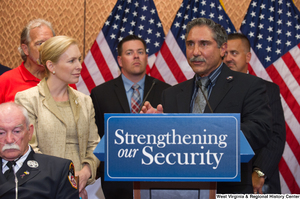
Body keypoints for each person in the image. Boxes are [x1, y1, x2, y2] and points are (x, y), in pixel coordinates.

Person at [141, 18, 272, 194]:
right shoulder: (171, 94)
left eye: (204, 44)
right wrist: (156, 126)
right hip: (178, 190)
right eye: (190, 44)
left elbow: (260, 130)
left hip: (228, 189)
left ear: (223, 48)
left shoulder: (249, 85)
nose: (195, 51)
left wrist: (208, 135)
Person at [14, 35, 100, 199]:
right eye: (71, 61)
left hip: (81, 190)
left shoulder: (85, 101)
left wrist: (85, 173)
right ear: (51, 66)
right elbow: (29, 150)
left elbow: (94, 145)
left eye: (79, 59)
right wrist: (67, 184)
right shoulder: (27, 99)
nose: (79, 66)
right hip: (41, 189)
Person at [90, 35, 170, 199]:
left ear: (146, 57)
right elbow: (96, 138)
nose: (136, 56)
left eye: (140, 52)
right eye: (130, 53)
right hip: (116, 181)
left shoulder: (166, 92)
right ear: (120, 60)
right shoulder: (100, 94)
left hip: (155, 177)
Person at [224, 33, 286, 194]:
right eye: (224, 54)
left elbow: (276, 135)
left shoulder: (268, 89)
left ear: (248, 56)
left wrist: (259, 171)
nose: (228, 58)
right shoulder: (214, 91)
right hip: (224, 180)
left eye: (234, 53)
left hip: (260, 182)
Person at [0, 102, 79, 199]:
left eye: (16, 131)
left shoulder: (57, 169)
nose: (9, 140)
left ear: (30, 132)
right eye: (1, 133)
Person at [0, 19, 55, 103]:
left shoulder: (63, 79)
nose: (47, 49)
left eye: (50, 43)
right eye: (40, 43)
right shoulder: (5, 81)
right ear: (26, 49)